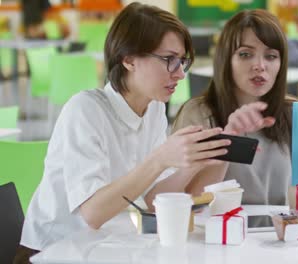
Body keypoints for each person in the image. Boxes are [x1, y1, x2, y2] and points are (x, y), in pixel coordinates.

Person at [15, 3, 230, 263]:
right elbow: (93, 213)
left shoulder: (154, 110)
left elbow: (152, 201)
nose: (180, 74)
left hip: (106, 246)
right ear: (128, 59)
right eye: (169, 60)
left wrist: (193, 162)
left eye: (182, 61)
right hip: (53, 251)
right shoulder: (85, 110)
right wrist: (160, 158)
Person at [173, 9, 293, 208]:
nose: (260, 65)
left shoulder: (291, 112)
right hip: (219, 234)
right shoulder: (198, 114)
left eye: (271, 56)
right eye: (245, 54)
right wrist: (229, 143)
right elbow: (189, 200)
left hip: (285, 234)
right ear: (225, 60)